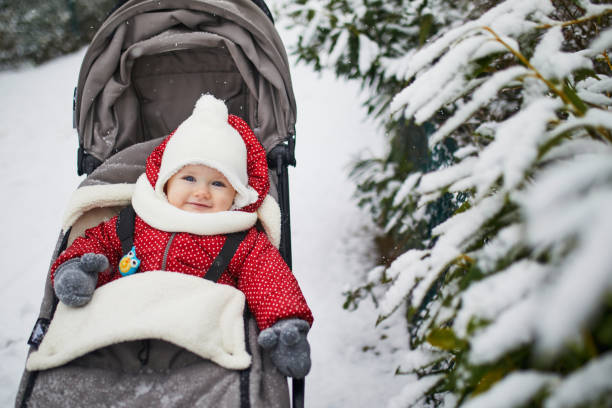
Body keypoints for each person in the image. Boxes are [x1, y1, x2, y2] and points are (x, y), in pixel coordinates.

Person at [50, 94, 313, 379]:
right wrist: (77, 267)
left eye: (218, 183)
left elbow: (269, 279)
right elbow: (97, 241)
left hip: (198, 342)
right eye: (188, 178)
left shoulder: (240, 239)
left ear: (236, 193)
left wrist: (285, 322)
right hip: (121, 328)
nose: (201, 192)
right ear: (166, 181)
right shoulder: (136, 221)